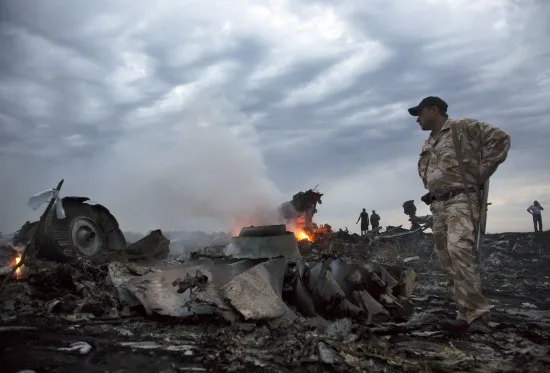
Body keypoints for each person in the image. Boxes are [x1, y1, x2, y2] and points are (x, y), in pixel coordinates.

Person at [409, 96, 511, 335]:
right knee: (448, 260)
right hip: (439, 205)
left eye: (420, 112)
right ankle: (463, 314)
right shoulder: (430, 141)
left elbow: (500, 139)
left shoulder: (462, 127)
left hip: (460, 201)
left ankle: (478, 316)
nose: (417, 118)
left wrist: (480, 174)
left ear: (434, 110)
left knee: (460, 251)